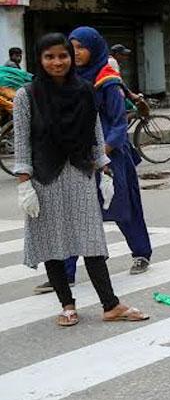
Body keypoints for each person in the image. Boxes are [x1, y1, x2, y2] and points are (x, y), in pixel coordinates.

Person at [14, 33, 149, 326]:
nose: (57, 62)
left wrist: (104, 167)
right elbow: (22, 141)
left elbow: (95, 132)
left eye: (63, 56)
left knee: (91, 240)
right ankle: (67, 305)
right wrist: (24, 183)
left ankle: (110, 305)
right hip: (44, 176)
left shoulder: (85, 89)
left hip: (80, 172)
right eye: (49, 57)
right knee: (52, 242)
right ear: (39, 59)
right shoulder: (27, 95)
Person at [40, 27, 153, 289]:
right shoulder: (67, 80)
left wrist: (103, 152)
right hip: (77, 156)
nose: (76, 52)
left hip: (110, 157)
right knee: (75, 212)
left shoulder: (108, 81)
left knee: (123, 207)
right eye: (73, 47)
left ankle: (141, 253)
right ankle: (66, 272)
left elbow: (118, 124)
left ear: (94, 48)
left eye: (81, 47)